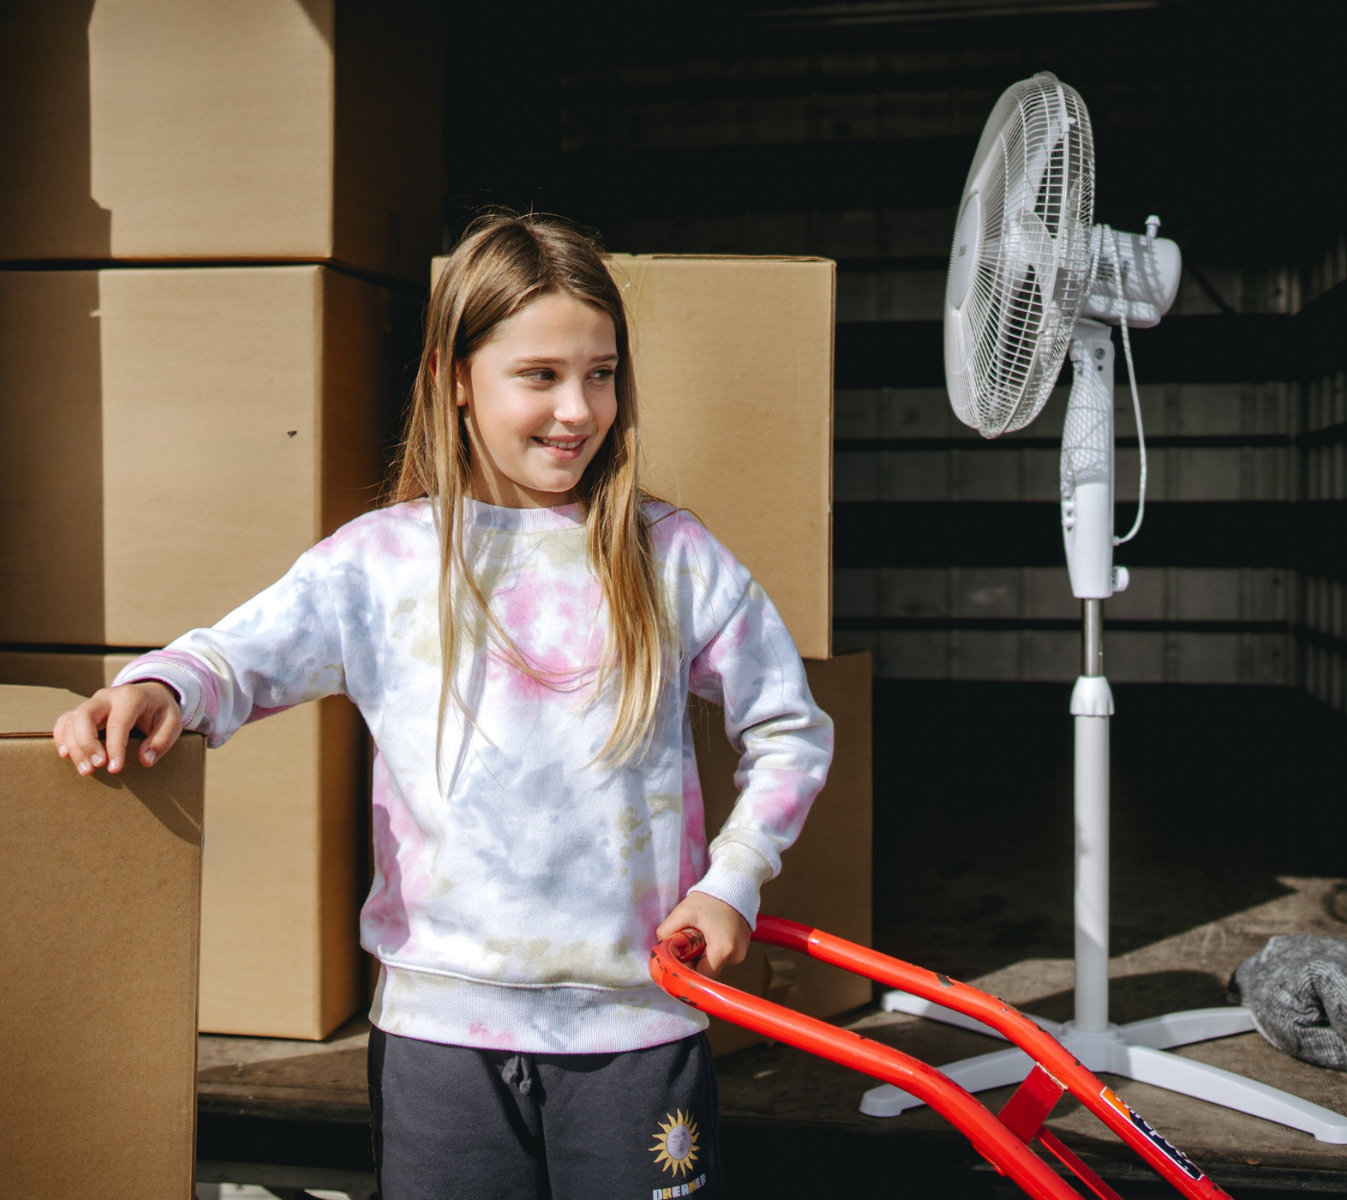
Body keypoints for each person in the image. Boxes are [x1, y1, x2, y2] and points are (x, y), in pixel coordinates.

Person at [52, 212, 833, 1199]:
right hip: (438, 1036)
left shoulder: (670, 555)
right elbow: (236, 656)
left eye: (601, 373)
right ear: (455, 378)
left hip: (636, 1026)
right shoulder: (383, 564)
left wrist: (734, 879)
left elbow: (788, 726)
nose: (579, 409)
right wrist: (157, 684)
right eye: (540, 375)